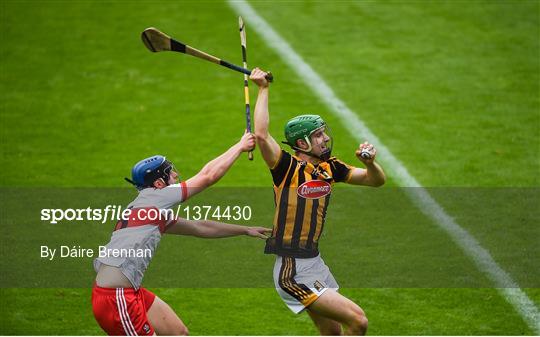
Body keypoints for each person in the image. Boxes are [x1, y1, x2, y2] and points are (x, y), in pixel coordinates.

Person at [91, 132, 271, 336]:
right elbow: (207, 177)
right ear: (158, 183)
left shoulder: (150, 209)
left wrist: (245, 230)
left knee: (179, 333)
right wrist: (239, 147)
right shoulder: (155, 197)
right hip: (116, 299)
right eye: (170, 172)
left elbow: (199, 227)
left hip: (128, 292)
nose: (176, 175)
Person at [250, 68, 386, 336]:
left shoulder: (329, 168)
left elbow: (375, 181)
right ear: (302, 142)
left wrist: (371, 164)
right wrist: (263, 89)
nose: (325, 138)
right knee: (358, 321)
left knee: (332, 332)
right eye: (318, 135)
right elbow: (262, 136)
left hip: (314, 261)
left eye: (324, 132)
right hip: (292, 269)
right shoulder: (285, 167)